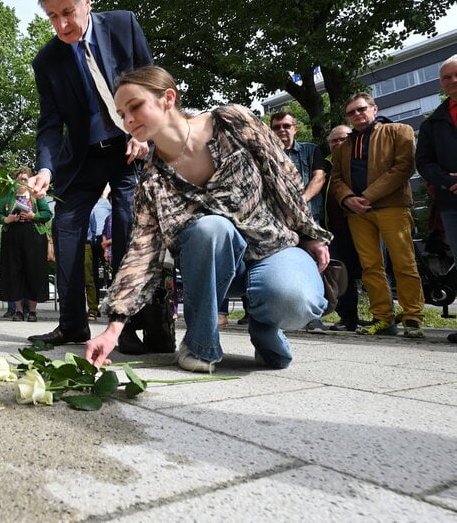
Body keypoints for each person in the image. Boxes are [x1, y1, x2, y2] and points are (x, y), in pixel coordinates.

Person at [85, 66, 330, 372]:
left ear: (167, 98)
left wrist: (310, 234)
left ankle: (265, 330)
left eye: (135, 106)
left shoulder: (231, 121)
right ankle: (200, 344)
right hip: (216, 271)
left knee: (295, 299)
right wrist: (114, 328)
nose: (128, 120)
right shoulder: (152, 181)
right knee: (210, 228)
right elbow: (141, 253)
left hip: (273, 249)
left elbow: (284, 178)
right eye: (121, 114)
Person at [27, 0, 154, 348]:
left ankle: (125, 324)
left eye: (67, 12)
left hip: (130, 147)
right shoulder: (46, 61)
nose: (62, 24)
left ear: (88, 1)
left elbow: (152, 82)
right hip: (83, 156)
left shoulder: (123, 25)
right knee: (65, 226)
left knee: (126, 222)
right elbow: (50, 123)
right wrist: (45, 168)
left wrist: (144, 133)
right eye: (52, 16)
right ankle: (71, 324)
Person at [330, 92, 425, 338]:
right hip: (357, 213)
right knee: (370, 266)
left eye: (361, 109)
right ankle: (383, 318)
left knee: (404, 262)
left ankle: (413, 317)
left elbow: (404, 166)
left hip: (392, 206)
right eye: (351, 112)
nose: (357, 115)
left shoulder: (399, 131)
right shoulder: (344, 146)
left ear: (374, 109)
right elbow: (337, 177)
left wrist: (369, 195)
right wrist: (349, 199)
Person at [269, 110, 329, 333]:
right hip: (277, 222)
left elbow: (319, 177)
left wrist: (300, 201)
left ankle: (314, 317)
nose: (282, 130)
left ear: (295, 128)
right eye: (277, 127)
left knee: (316, 265)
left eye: (286, 126)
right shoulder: (267, 153)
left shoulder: (310, 150)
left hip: (307, 218)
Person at [417, 55, 457, 344]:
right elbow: (425, 161)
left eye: (456, 75)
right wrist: (449, 181)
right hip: (452, 201)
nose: (452, 81)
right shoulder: (435, 121)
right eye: (447, 77)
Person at [0, 167, 52, 322]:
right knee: (14, 272)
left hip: (33, 235)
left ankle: (32, 311)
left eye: (25, 179)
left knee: (34, 271)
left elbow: (47, 214)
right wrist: (7, 219)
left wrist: (34, 215)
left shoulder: (36, 195)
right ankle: (19, 311)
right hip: (12, 235)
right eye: (19, 178)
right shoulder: (7, 196)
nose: (22, 181)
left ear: (31, 180)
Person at [324, 125, 364, 331]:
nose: (338, 143)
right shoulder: (324, 167)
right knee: (342, 275)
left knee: (371, 270)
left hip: (364, 224)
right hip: (335, 229)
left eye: (343, 139)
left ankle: (382, 317)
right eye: (334, 141)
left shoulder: (360, 160)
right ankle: (348, 318)